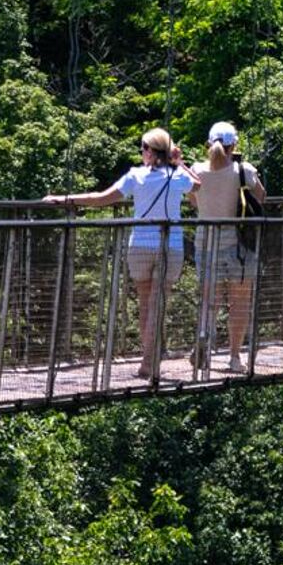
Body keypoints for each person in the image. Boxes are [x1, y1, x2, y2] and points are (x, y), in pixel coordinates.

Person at [42, 127, 192, 380]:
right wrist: (180, 163)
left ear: (150, 151)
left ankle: (148, 360)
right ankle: (150, 361)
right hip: (171, 246)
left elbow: (102, 198)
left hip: (141, 245)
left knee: (145, 305)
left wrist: (66, 198)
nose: (141, 152)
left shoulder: (135, 176)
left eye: (143, 147)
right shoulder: (178, 176)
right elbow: (197, 186)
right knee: (158, 306)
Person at [190, 121, 267, 373]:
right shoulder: (242, 170)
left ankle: (204, 340)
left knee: (208, 300)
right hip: (238, 245)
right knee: (239, 302)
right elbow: (261, 196)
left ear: (208, 144)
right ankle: (234, 358)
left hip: (205, 243)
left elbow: (193, 201)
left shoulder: (196, 171)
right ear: (234, 144)